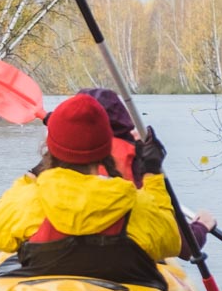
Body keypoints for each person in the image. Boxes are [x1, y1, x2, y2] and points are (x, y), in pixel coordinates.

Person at [0, 92, 182, 289]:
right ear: (106, 148)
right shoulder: (135, 203)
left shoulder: (33, 199)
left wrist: (35, 172)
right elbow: (172, 242)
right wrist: (152, 173)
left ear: (50, 149)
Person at [78, 85, 213, 250]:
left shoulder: (54, 171)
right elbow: (182, 245)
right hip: (129, 256)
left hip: (70, 260)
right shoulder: (137, 158)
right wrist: (201, 227)